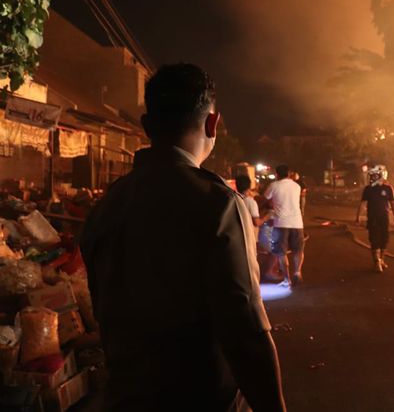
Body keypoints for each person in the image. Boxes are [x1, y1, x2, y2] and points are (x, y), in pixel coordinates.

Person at [80, 64, 286, 412]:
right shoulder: (218, 204)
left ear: (146, 126)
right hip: (202, 400)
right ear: (212, 123)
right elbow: (245, 332)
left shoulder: (109, 203)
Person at [264, 164, 305, 287]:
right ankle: (297, 272)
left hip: (280, 222)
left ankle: (287, 279)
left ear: (277, 174)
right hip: (297, 222)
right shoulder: (296, 186)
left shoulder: (274, 185)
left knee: (281, 252)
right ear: (289, 174)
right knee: (298, 250)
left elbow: (265, 198)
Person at [355, 165, 394, 273]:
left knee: (384, 238)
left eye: (375, 175)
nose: (373, 178)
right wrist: (358, 217)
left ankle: (381, 260)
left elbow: (392, 203)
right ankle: (376, 262)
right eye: (372, 176)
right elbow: (363, 204)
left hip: (384, 217)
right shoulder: (368, 189)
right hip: (372, 217)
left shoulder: (388, 188)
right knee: (374, 239)